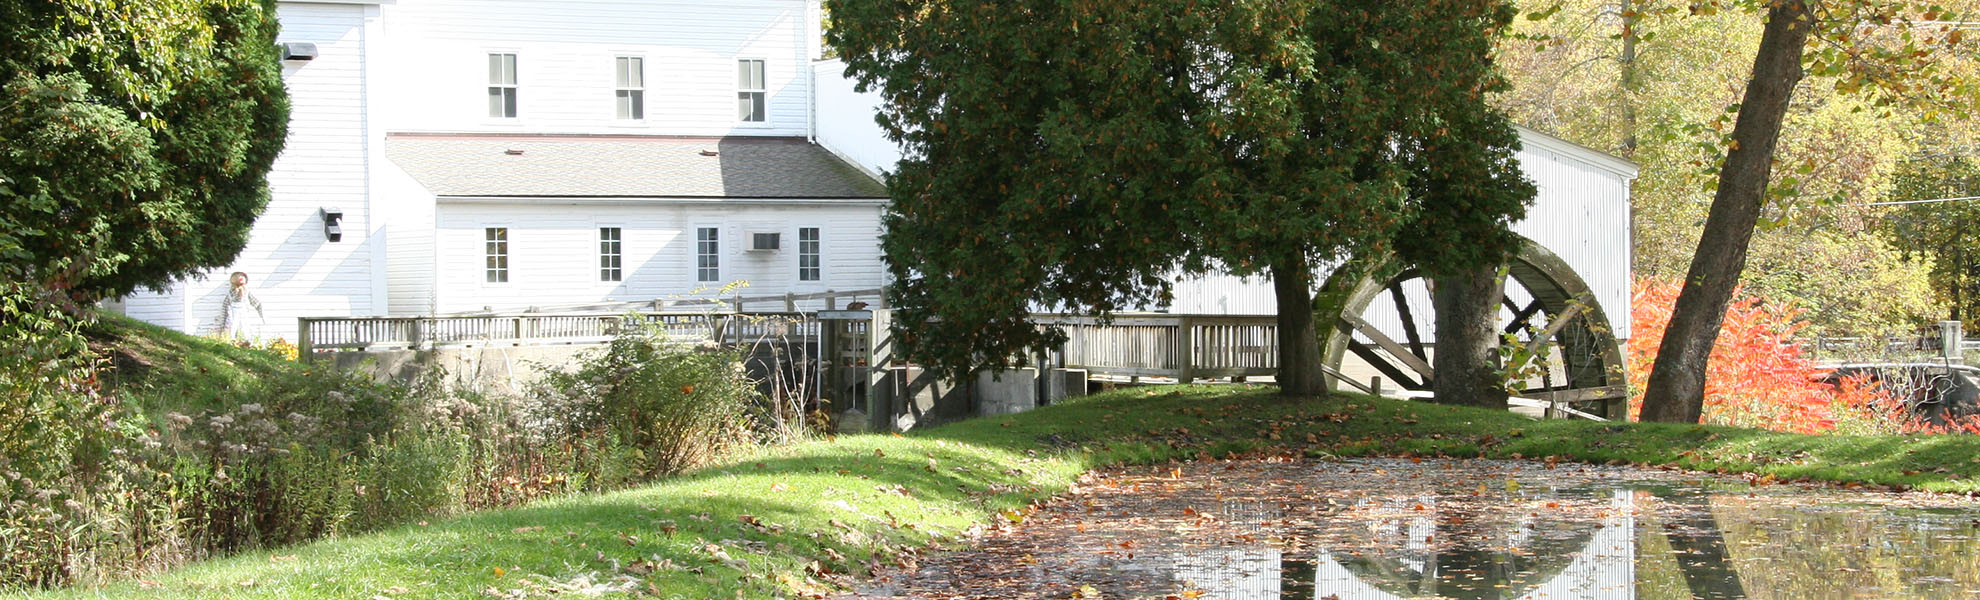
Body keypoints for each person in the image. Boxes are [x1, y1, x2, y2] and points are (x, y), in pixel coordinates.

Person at [219, 271, 264, 341]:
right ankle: (233, 340)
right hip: (233, 315)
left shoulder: (246, 293)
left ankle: (247, 340)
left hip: (244, 314)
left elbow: (256, 303)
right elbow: (224, 308)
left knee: (246, 327)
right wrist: (222, 324)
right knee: (233, 327)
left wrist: (261, 314)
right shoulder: (230, 295)